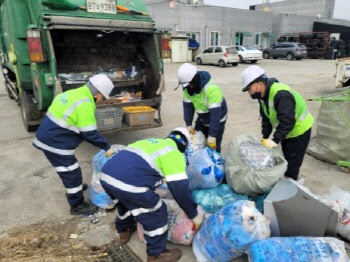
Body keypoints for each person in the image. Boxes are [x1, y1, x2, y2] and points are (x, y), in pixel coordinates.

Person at [100, 127, 204, 262]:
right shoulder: (174, 153)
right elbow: (180, 189)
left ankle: (123, 230)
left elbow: (139, 166)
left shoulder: (151, 142)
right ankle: (156, 254)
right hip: (129, 183)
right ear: (184, 147)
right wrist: (193, 214)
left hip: (106, 176)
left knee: (125, 201)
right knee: (157, 212)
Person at [33, 74, 116, 215]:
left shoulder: (73, 93)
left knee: (69, 171)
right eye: (103, 97)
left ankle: (75, 189)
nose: (101, 100)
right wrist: (107, 147)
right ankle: (76, 205)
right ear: (98, 94)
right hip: (55, 143)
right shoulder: (85, 104)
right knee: (72, 172)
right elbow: (90, 133)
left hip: (47, 135)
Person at [241, 65, 314, 181]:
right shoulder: (263, 96)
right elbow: (266, 118)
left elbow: (288, 121)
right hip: (287, 131)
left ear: (258, 84)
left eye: (249, 89)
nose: (249, 93)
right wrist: (264, 137)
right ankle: (284, 183)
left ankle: (290, 187)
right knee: (283, 160)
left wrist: (275, 140)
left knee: (291, 165)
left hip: (299, 131)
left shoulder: (281, 94)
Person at [177, 63, 227, 152]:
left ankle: (215, 163)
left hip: (217, 120)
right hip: (202, 118)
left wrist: (212, 135)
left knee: (213, 146)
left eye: (187, 85)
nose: (186, 87)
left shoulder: (212, 89)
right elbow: (188, 107)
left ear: (194, 79)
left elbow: (215, 115)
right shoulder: (188, 89)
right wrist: (188, 124)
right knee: (196, 142)